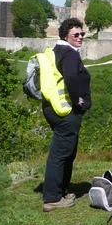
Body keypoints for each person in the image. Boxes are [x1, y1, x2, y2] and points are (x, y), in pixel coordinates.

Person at [41, 18, 91, 212]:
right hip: (66, 111)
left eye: (82, 34)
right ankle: (52, 198)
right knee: (61, 154)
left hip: (53, 108)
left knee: (66, 152)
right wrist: (79, 99)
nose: (80, 37)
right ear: (65, 36)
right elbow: (70, 77)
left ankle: (61, 191)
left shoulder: (58, 51)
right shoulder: (70, 54)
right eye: (76, 35)